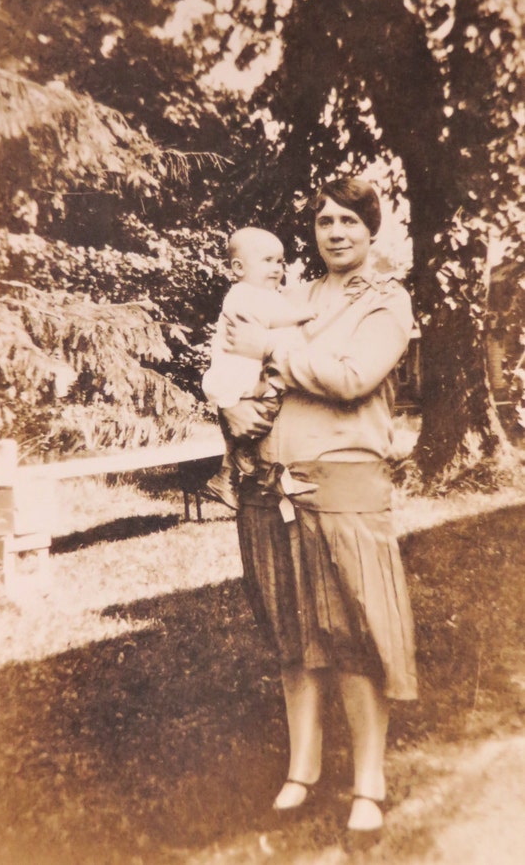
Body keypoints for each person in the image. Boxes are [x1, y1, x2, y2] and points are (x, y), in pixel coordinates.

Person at [220, 178, 418, 848]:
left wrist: (274, 352)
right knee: (293, 635)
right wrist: (230, 407)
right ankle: (302, 771)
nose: (334, 232)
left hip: (346, 483)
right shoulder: (291, 297)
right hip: (273, 483)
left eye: (348, 221)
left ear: (372, 229)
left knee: (353, 636)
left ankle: (368, 783)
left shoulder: (387, 301)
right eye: (324, 220)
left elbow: (352, 378)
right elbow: (229, 347)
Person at [202, 226, 316, 509]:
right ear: (238, 268)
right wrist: (308, 313)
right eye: (267, 261)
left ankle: (228, 473)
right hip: (239, 372)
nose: (277, 268)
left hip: (250, 372)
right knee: (264, 409)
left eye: (280, 261)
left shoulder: (264, 294)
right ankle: (233, 467)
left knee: (254, 419)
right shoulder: (243, 293)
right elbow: (272, 318)